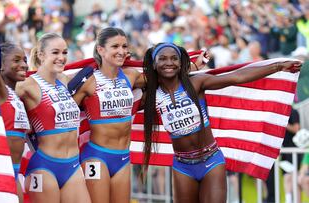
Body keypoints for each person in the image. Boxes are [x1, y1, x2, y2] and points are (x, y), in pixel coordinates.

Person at [141, 42, 302, 203]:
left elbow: (236, 77)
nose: (169, 62)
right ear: (154, 64)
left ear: (181, 62)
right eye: (162, 59)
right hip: (182, 166)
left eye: (174, 58)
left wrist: (278, 66)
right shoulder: (151, 96)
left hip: (211, 160)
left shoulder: (195, 83)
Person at [72, 27, 145, 203]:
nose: (121, 51)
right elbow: (64, 110)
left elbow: (165, 77)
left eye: (124, 46)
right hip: (96, 157)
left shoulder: (131, 75)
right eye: (115, 47)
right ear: (101, 50)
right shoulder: (89, 81)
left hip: (123, 157)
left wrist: (193, 65)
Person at [16, 33, 91, 203]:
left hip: (72, 165)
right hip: (45, 167)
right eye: (55, 52)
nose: (61, 57)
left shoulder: (64, 80)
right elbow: (1, 95)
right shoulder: (28, 85)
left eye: (64, 53)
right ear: (41, 55)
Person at [0, 31, 30, 202]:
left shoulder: (16, 97)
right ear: (0, 65)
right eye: (16, 60)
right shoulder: (0, 91)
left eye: (25, 59)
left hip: (14, 172)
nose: (24, 64)